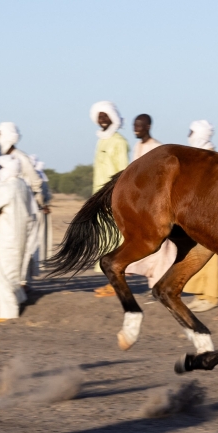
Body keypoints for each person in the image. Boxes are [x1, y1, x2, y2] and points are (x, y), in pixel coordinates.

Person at [125, 116, 176, 290]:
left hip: (156, 202)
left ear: (148, 126)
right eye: (134, 126)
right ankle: (154, 281)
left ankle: (159, 282)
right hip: (141, 202)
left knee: (161, 243)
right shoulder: (137, 147)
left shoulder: (156, 148)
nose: (135, 129)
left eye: (139, 126)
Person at [182, 120, 218, 312]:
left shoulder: (211, 157)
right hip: (199, 212)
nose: (189, 135)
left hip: (212, 212)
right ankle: (200, 293)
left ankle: (211, 296)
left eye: (191, 131)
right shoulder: (198, 155)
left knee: (210, 257)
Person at [0, 154, 36, 321]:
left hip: (6, 236)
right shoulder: (23, 185)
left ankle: (7, 313)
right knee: (14, 271)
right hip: (20, 236)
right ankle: (19, 299)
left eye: (1, 168)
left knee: (4, 273)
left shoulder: (6, 187)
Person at [0, 121, 48, 285]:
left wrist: (32, 201)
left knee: (25, 247)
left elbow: (36, 181)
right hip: (8, 212)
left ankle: (24, 284)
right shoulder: (1, 158)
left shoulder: (21, 158)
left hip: (25, 210)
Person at [89, 101, 129, 298]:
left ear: (112, 117)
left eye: (105, 115)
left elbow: (122, 172)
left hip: (111, 198)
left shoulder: (118, 141)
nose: (102, 119)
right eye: (99, 116)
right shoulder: (101, 140)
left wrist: (112, 198)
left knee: (114, 241)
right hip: (100, 197)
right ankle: (111, 282)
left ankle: (116, 283)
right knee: (105, 241)